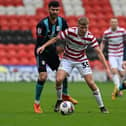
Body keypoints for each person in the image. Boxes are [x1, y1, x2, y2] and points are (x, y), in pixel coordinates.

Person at [37, 17, 112, 113]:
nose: (84, 30)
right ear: (78, 26)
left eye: (86, 28)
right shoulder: (70, 32)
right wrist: (43, 46)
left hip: (81, 60)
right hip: (67, 59)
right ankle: (59, 101)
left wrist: (107, 68)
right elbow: (56, 38)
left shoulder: (90, 37)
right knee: (59, 79)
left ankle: (102, 107)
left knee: (91, 83)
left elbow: (99, 53)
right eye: (82, 28)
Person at [33, 1, 78, 114]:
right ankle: (37, 103)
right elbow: (40, 43)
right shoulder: (42, 24)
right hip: (42, 51)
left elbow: (67, 35)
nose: (55, 12)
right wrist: (54, 46)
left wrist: (62, 47)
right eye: (53, 9)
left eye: (57, 10)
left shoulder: (62, 21)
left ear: (59, 10)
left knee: (62, 72)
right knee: (43, 76)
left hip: (53, 51)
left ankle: (65, 95)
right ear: (48, 10)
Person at [100, 17, 126, 100]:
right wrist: (100, 51)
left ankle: (119, 88)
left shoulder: (122, 31)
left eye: (115, 22)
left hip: (121, 54)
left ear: (117, 23)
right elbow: (103, 43)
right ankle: (118, 89)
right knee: (114, 71)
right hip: (112, 54)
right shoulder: (107, 33)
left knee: (122, 74)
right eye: (112, 22)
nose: (114, 23)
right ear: (110, 23)